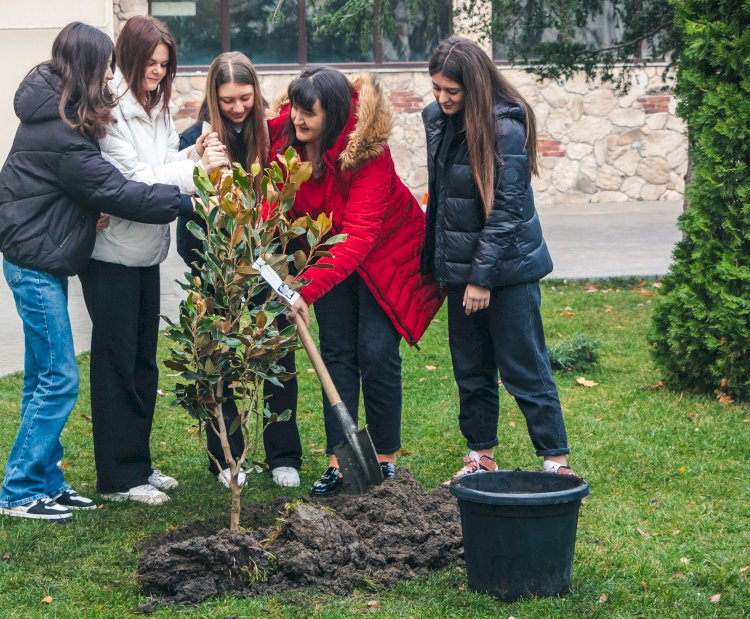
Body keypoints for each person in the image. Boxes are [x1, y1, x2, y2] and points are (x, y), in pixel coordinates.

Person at [0, 22, 194, 521]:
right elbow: (117, 190)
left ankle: (47, 481)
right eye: (106, 64)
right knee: (60, 376)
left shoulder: (62, 115)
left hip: (43, 256)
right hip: (33, 260)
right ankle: (20, 490)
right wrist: (186, 197)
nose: (111, 75)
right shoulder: (63, 131)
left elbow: (90, 193)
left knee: (44, 374)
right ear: (88, 65)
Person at [268, 66, 441, 496]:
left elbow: (359, 237)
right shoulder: (283, 137)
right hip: (326, 253)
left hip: (384, 254)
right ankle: (339, 462)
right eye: (296, 110)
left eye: (310, 114)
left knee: (377, 352)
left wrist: (304, 290)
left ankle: (384, 460)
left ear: (337, 115)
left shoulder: (368, 153)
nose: (298, 120)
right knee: (337, 352)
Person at [78, 15, 228, 505]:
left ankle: (137, 464)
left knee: (144, 363)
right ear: (130, 55)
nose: (159, 72)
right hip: (111, 253)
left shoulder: (155, 104)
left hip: (146, 251)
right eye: (152, 63)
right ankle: (118, 479)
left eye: (165, 65)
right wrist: (192, 169)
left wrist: (194, 150)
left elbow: (168, 158)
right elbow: (135, 178)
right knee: (116, 364)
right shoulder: (112, 107)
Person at [421, 36, 575, 481]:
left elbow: (506, 208)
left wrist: (482, 278)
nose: (442, 99)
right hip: (462, 272)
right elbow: (447, 199)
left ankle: (556, 461)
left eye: (452, 91)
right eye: (437, 89)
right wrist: (446, 267)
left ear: (476, 84)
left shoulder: (505, 125)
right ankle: (481, 455)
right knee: (471, 370)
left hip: (507, 272)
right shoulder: (437, 119)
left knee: (524, 367)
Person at [176, 52, 302, 488]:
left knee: (277, 350)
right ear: (214, 95)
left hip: (267, 261)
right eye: (227, 99)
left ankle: (284, 454)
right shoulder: (194, 140)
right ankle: (227, 459)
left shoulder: (271, 139)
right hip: (215, 261)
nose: (237, 107)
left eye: (245, 97)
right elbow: (184, 212)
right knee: (218, 357)